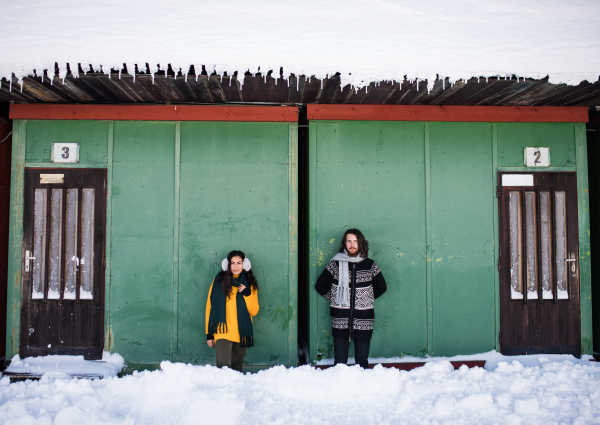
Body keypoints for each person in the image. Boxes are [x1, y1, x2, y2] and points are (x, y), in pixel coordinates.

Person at [315, 229, 386, 368]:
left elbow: (382, 287)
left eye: (355, 241)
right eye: (349, 241)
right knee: (340, 363)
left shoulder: (370, 265)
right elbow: (320, 286)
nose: (352, 244)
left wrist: (365, 299)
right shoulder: (335, 264)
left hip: (364, 318)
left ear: (360, 243)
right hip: (340, 318)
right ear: (344, 243)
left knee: (362, 363)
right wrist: (335, 299)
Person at [205, 250, 259, 372]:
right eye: (232, 263)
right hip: (222, 330)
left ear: (244, 265)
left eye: (239, 263)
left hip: (241, 331)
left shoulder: (249, 284)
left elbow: (254, 311)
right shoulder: (218, 281)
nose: (235, 266)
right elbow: (210, 307)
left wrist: (247, 293)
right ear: (227, 265)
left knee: (237, 370)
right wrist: (209, 334)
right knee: (222, 369)